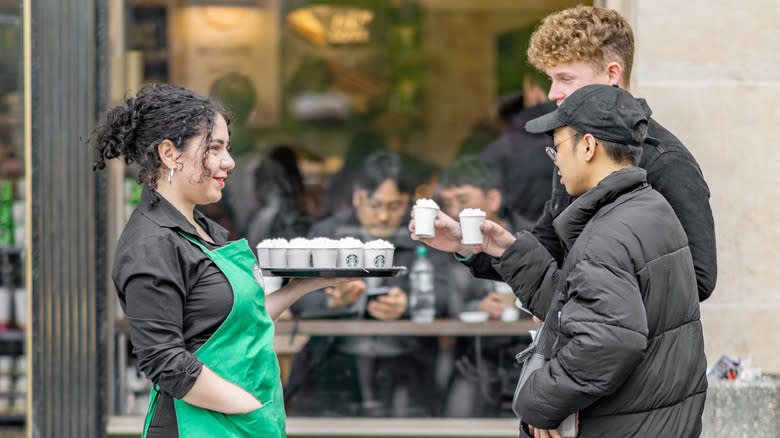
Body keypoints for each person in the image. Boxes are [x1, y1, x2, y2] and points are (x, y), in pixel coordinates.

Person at [412, 84, 707, 437]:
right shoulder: (648, 209)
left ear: (588, 146)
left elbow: (607, 342)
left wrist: (538, 402)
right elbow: (581, 307)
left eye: (558, 147)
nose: (555, 160)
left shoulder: (609, 231)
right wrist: (502, 248)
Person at [90, 84, 351, 437]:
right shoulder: (151, 243)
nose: (228, 161)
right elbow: (165, 362)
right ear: (170, 153)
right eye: (214, 149)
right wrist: (249, 408)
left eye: (227, 148)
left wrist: (305, 285)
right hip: (198, 426)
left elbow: (235, 321)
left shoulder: (205, 229)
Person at [465, 5, 717, 302]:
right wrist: (470, 246)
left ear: (612, 74)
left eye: (565, 78)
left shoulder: (667, 161)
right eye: (551, 79)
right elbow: (550, 247)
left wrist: (581, 303)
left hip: (634, 347)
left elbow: (698, 279)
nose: (552, 93)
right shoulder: (572, 151)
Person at [286, 151, 453, 418]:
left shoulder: (425, 236)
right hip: (334, 359)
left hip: (407, 363)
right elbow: (295, 296)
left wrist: (409, 304)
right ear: (357, 197)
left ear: (407, 203)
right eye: (375, 205)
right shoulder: (327, 234)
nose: (384, 217)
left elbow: (449, 293)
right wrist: (333, 301)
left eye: (395, 206)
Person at [435, 155, 530, 418]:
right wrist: (478, 307)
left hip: (528, 363)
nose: (453, 211)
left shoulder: (530, 238)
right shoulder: (442, 245)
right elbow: (438, 298)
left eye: (463, 201)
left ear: (493, 200)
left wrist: (518, 305)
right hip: (470, 365)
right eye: (447, 203)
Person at [479, 70, 556, 231]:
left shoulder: (496, 151)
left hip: (515, 233)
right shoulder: (559, 144)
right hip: (556, 231)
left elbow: (496, 200)